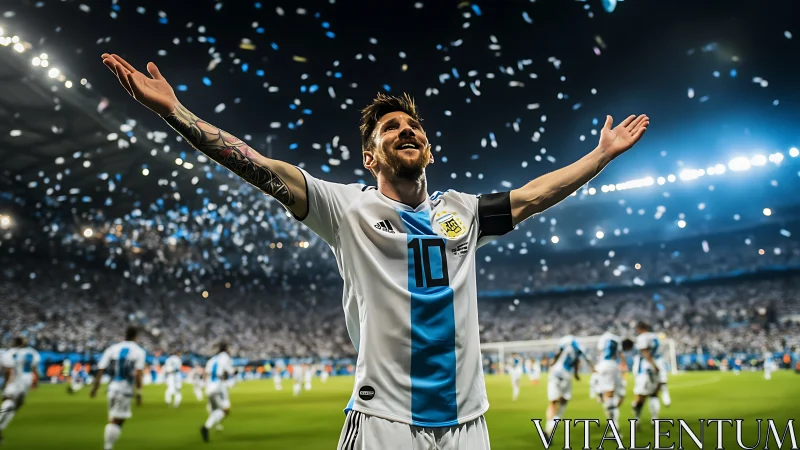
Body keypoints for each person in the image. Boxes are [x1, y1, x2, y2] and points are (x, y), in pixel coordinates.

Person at [100, 53, 649, 449]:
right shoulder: (344, 208)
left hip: (469, 425)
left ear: (427, 145)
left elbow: (532, 196)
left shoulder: (462, 211)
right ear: (371, 156)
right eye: (391, 128)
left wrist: (601, 155)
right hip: (385, 423)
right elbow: (258, 166)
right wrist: (176, 112)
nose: (406, 130)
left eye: (413, 125)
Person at [90, 326, 146, 450]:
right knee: (118, 420)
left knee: (113, 418)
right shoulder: (139, 351)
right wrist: (139, 393)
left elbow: (101, 369)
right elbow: (138, 374)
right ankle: (108, 446)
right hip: (125, 390)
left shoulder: (112, 349)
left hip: (112, 388)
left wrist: (95, 388)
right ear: (136, 336)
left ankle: (108, 444)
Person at [545, 335, 594, 434]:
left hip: (555, 373)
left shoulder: (565, 342)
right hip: (566, 375)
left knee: (553, 402)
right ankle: (551, 427)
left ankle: (547, 428)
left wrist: (553, 363)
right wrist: (578, 373)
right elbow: (581, 360)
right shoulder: (580, 348)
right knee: (563, 402)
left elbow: (558, 353)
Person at [0, 337, 40, 445]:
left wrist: (5, 383)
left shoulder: (10, 353)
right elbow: (34, 367)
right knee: (16, 404)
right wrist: (37, 381)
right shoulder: (32, 352)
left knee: (9, 400)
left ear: (14, 342)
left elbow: (8, 370)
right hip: (26, 382)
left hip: (15, 380)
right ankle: (1, 427)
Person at [593, 332, 633, 432]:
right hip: (614, 366)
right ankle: (614, 424)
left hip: (604, 366)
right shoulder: (617, 340)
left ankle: (614, 426)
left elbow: (600, 352)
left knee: (609, 395)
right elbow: (620, 353)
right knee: (618, 394)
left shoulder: (603, 338)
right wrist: (624, 364)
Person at [201, 342, 234, 442]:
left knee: (216, 410)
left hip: (209, 388)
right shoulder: (225, 357)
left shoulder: (212, 359)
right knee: (225, 410)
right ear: (226, 348)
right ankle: (206, 427)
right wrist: (233, 373)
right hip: (219, 387)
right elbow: (230, 371)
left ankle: (209, 427)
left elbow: (205, 374)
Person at [631, 322, 661, 427]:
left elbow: (646, 353)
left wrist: (653, 365)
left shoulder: (642, 337)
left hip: (644, 369)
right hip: (654, 368)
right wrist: (656, 366)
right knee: (654, 394)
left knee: (640, 396)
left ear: (639, 328)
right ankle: (654, 419)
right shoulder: (655, 337)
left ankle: (636, 419)